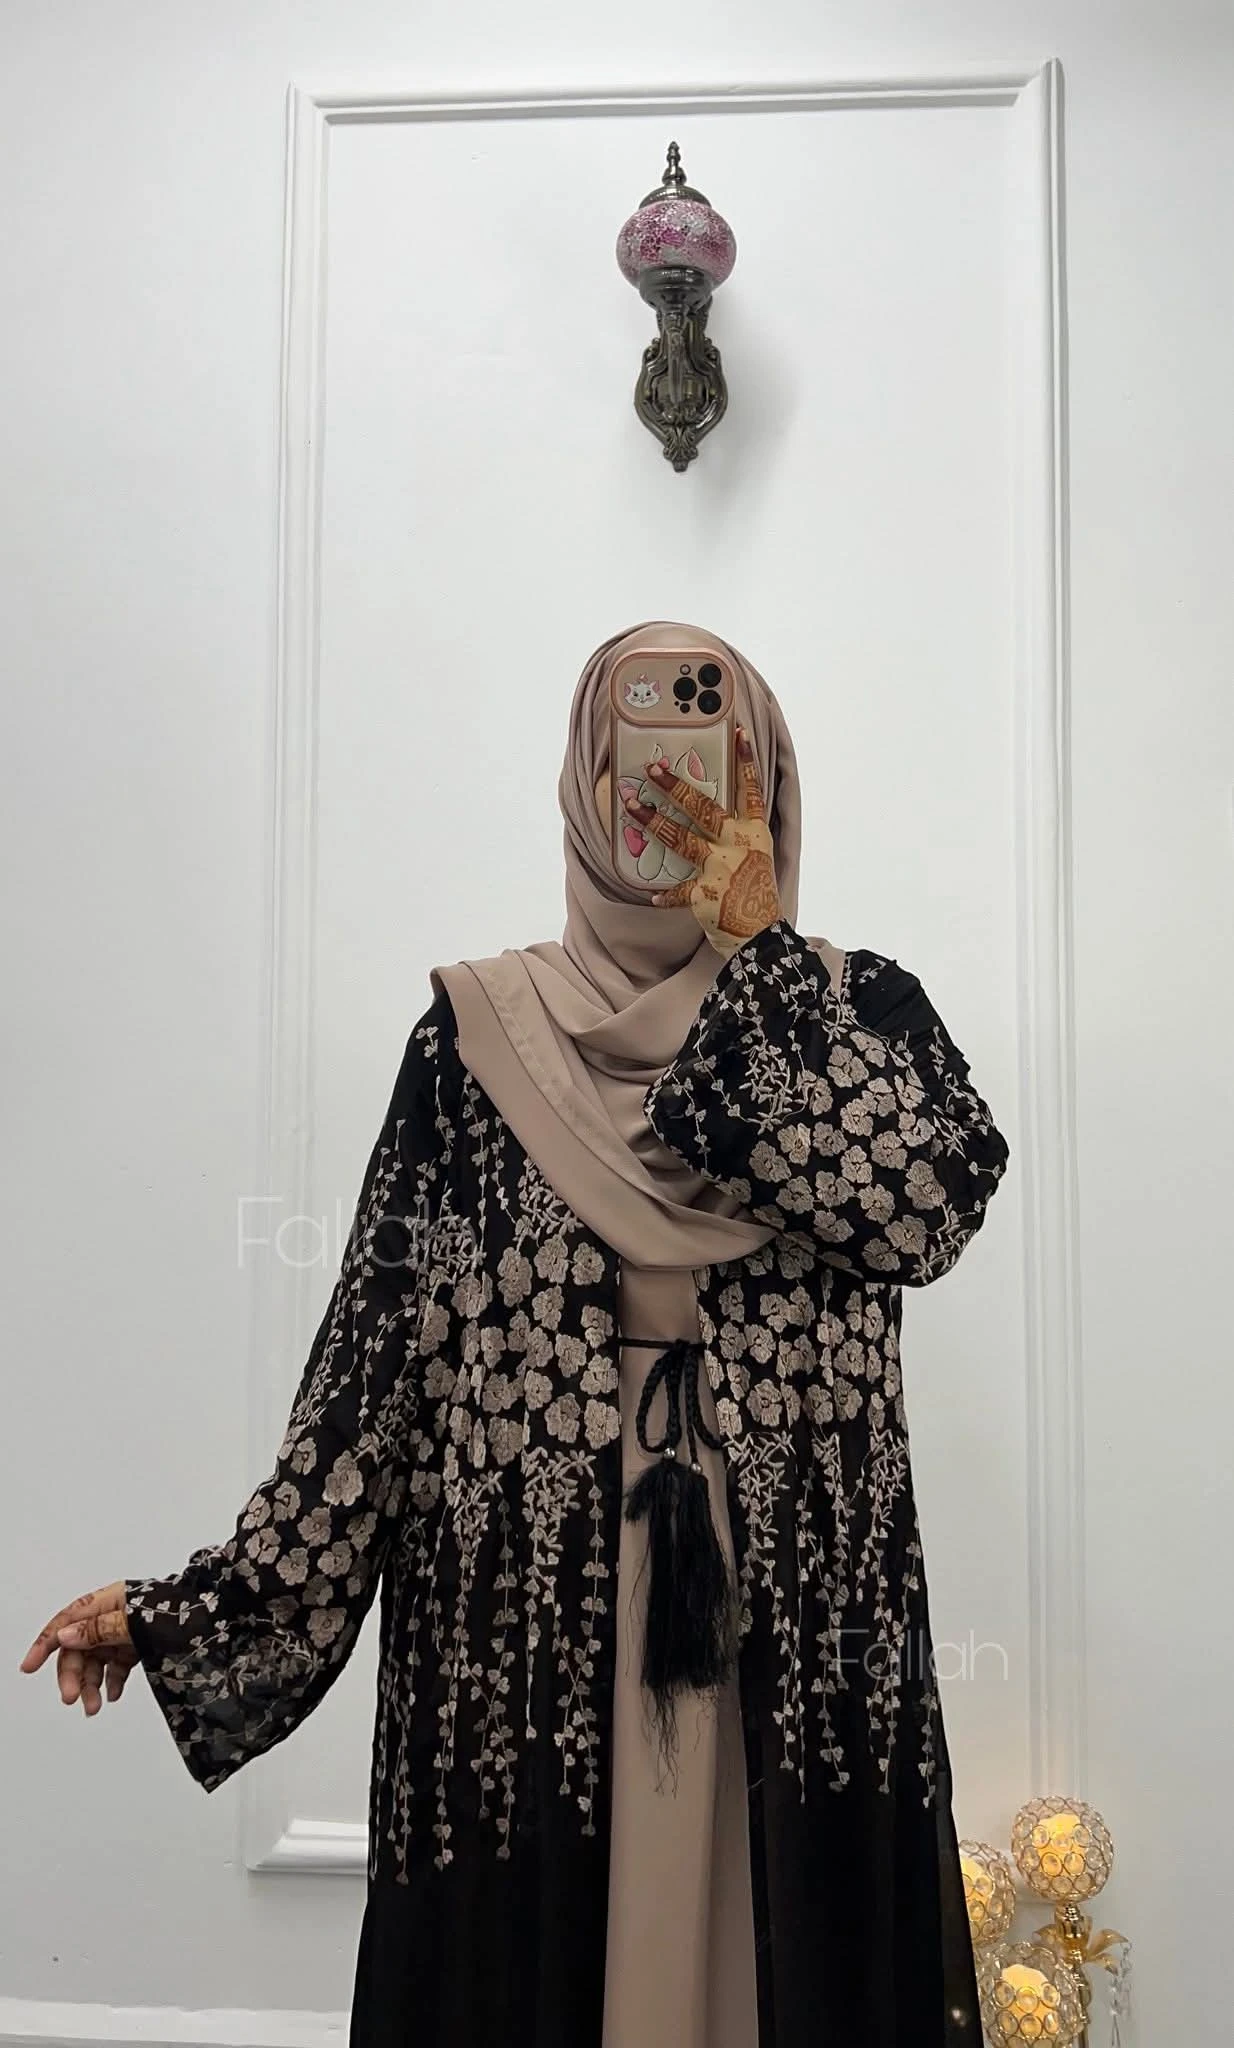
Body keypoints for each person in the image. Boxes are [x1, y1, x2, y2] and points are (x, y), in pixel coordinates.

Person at [21, 619, 1011, 2048]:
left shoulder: (858, 1014)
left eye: (713, 750)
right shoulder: (477, 1040)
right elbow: (373, 1382)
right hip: (527, 1619)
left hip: (794, 1618)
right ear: (583, 783)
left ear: (770, 786)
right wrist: (195, 1608)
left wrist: (762, 963)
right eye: (633, 752)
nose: (665, 784)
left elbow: (921, 1209)